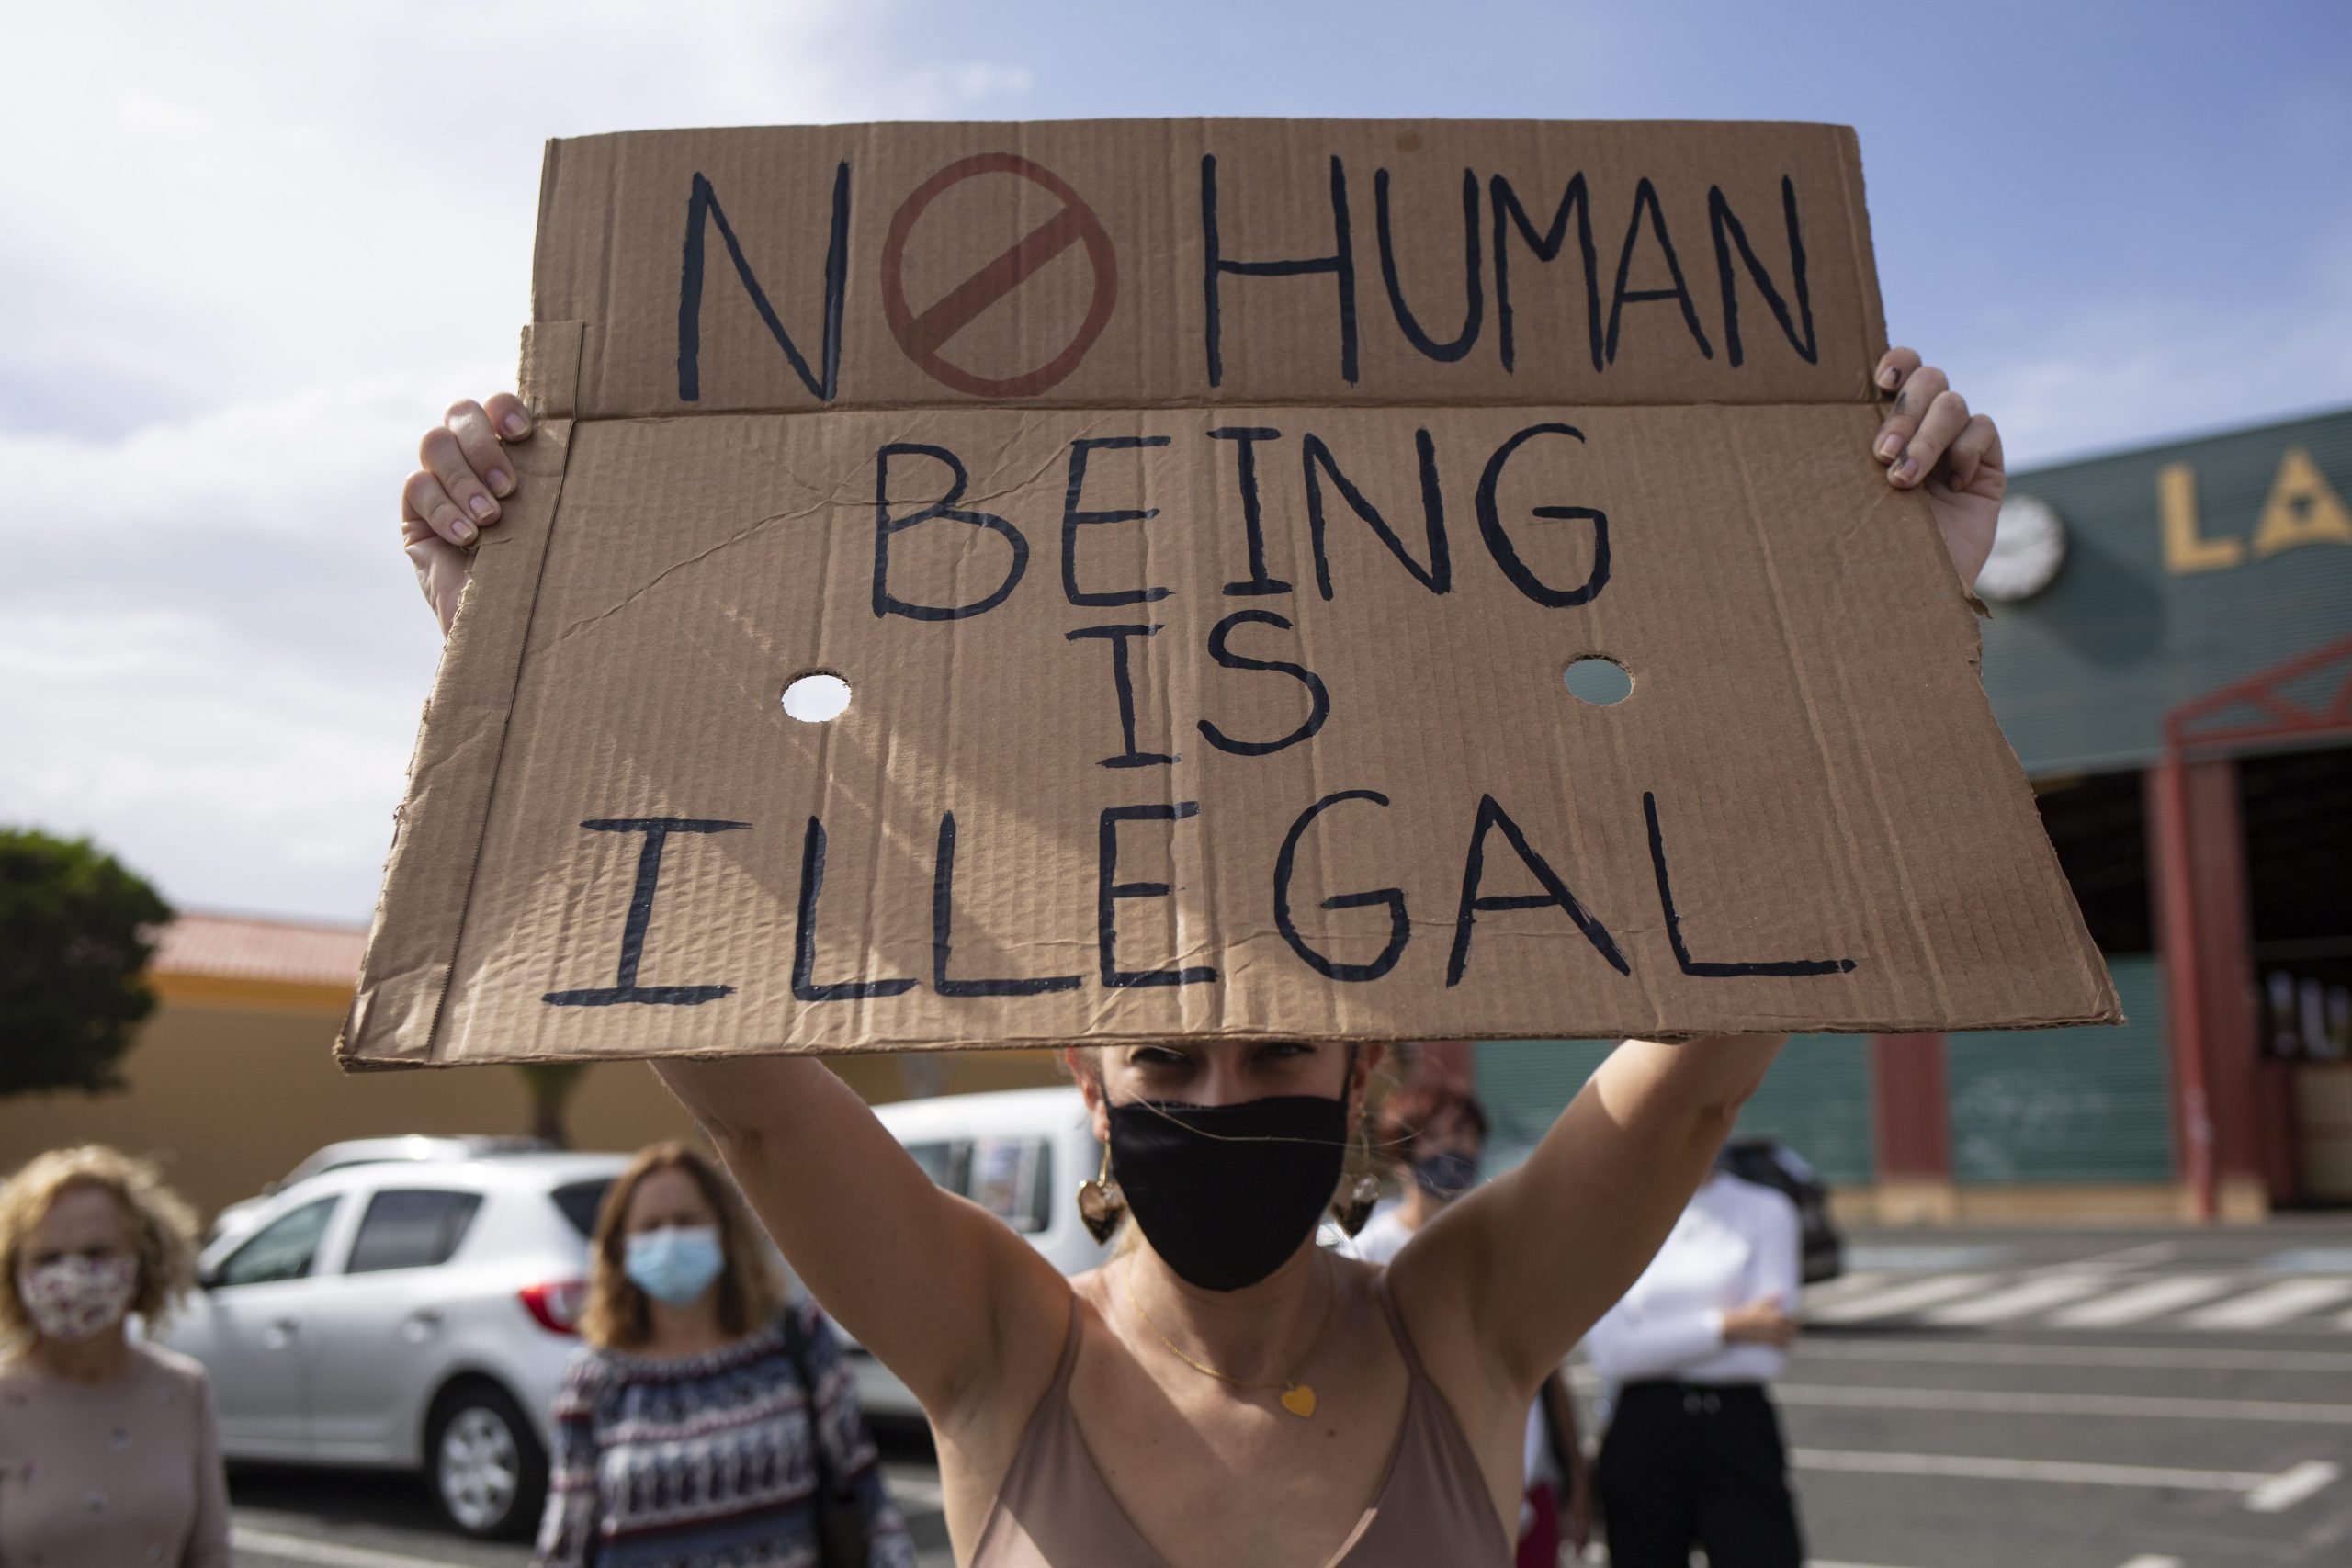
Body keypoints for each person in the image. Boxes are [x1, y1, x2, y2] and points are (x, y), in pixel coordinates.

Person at [404, 344, 2000, 1566]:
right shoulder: (997, 1334)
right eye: (1166, 1056)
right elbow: (751, 1099)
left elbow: (1701, 1072)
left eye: (1279, 1052)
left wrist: (1894, 611)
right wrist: (526, 657)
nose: (1224, 1093)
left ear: (1361, 1074)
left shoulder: (1463, 1321)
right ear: (1089, 1090)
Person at [531, 1141, 913, 1567]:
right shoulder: (594, 1379)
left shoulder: (794, 1340)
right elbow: (567, 1536)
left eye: (686, 1221)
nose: (669, 1238)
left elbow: (868, 1497)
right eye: (651, 1227)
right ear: (621, 1248)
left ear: (724, 1231)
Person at [1351, 1080, 1592, 1567]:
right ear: (1401, 1152)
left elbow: (1549, 1373)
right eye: (1435, 1137)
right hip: (1415, 1498)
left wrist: (1578, 1480)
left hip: (1524, 1484)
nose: (1455, 1149)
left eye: (1465, 1135)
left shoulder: (1510, 1244)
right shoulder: (1367, 1252)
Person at [0, 1145, 230, 1568]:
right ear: (14, 1271)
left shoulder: (182, 1390)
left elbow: (209, 1551)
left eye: (96, 1253)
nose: (72, 1276)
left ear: (144, 1260)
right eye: (48, 1258)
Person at [1582, 1153, 1805, 1568]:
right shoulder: (1612, 1216)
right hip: (1644, 1432)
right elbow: (1612, 1354)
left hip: (1738, 1429)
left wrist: (1654, 1343)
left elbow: (1762, 1359)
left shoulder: (1766, 1209)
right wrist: (1728, 1326)